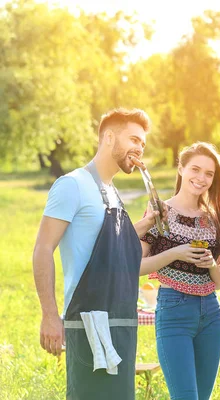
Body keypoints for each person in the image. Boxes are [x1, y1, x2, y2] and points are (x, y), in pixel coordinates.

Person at [32, 108, 163, 399]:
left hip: (121, 323)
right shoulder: (72, 185)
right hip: (87, 324)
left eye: (142, 143)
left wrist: (148, 223)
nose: (140, 148)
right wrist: (50, 316)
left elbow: (115, 243)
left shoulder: (112, 192)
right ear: (109, 137)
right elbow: (43, 249)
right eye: (133, 139)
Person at [139, 142, 220, 400]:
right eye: (195, 169)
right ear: (181, 169)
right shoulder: (159, 212)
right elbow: (134, 267)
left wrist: (211, 265)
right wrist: (175, 253)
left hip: (211, 313)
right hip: (174, 310)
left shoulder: (213, 219)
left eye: (209, 174)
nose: (201, 178)